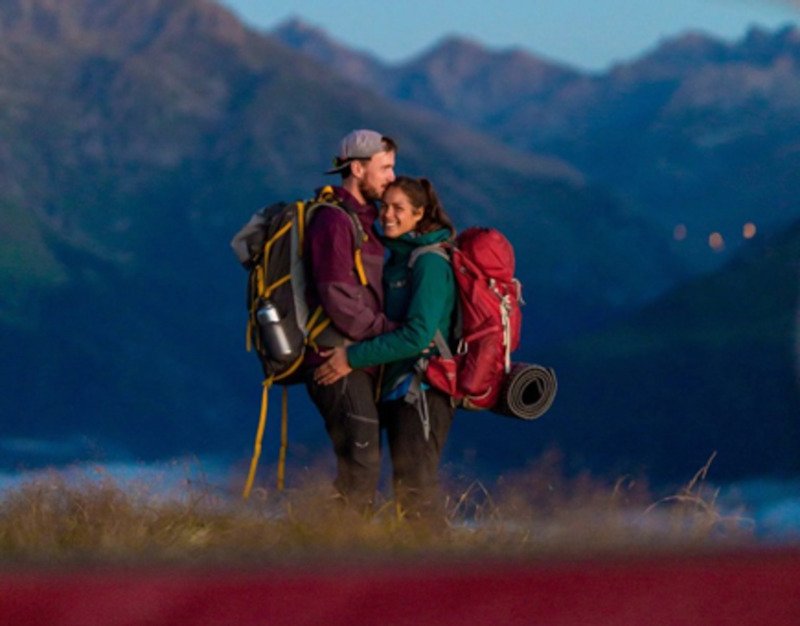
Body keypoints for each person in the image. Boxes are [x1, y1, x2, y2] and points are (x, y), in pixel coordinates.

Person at [314, 176, 458, 527]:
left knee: (416, 493)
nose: (387, 215)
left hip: (424, 391)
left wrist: (352, 358)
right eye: (384, 206)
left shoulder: (430, 264)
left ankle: (442, 575)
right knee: (406, 491)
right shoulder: (398, 259)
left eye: (399, 209)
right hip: (399, 390)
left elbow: (417, 336)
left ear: (419, 214)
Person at [303, 129, 398, 514]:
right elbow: (337, 296)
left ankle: (337, 549)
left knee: (361, 460)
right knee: (361, 461)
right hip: (334, 359)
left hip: (358, 357)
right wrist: (390, 335)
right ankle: (342, 554)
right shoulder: (334, 221)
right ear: (357, 168)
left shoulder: (368, 222)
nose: (392, 177)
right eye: (385, 168)